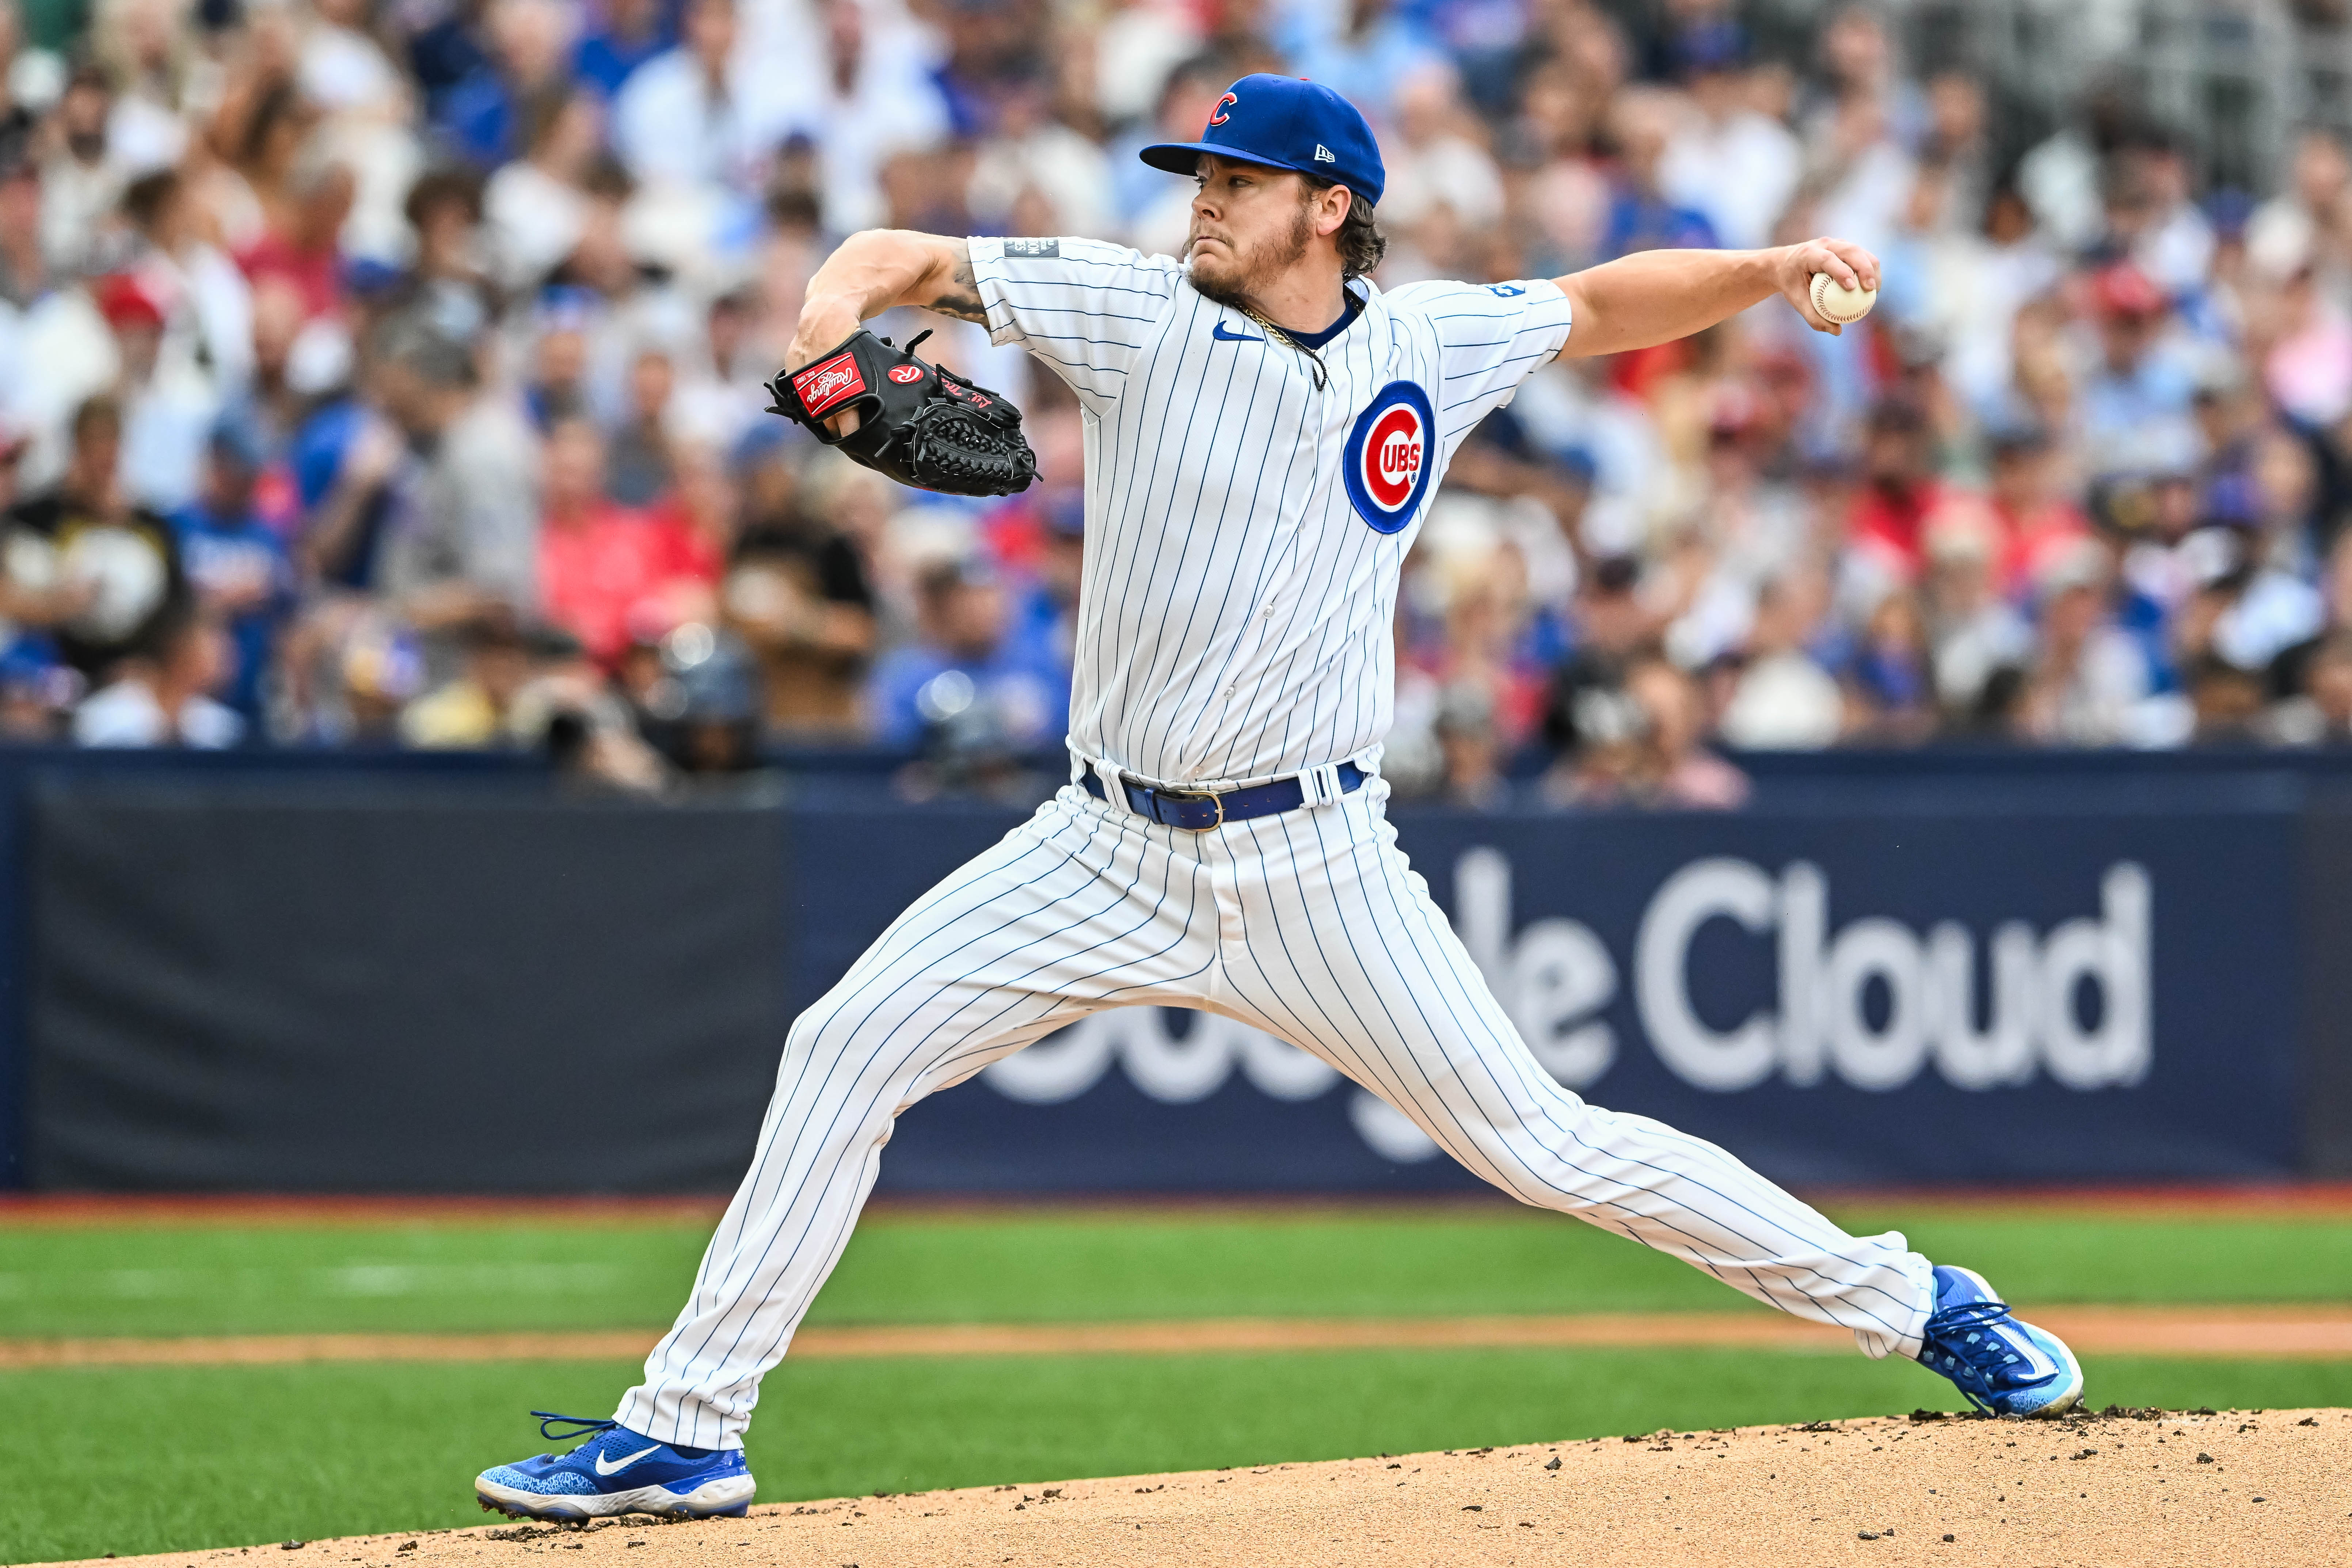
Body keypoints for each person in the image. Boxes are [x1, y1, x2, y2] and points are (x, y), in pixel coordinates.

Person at [473, 75, 2083, 1524]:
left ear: (1327, 206)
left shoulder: (1420, 345)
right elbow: (904, 257)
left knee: (1542, 1142)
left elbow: (1595, 302)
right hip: (1099, 844)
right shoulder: (1134, 310)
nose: (1202, 201)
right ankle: (685, 1429)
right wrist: (822, 325)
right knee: (841, 1048)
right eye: (1197, 176)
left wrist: (1764, 266)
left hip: (1317, 860)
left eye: (1234, 181)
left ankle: (1918, 1299)